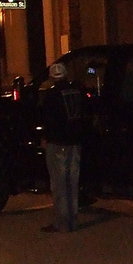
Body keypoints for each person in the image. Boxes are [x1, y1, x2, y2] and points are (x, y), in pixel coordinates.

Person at [39, 62, 91, 233]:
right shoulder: (77, 92)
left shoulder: (52, 95)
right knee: (72, 182)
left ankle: (62, 222)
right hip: (75, 142)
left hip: (58, 143)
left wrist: (46, 138)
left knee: (59, 184)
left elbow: (49, 120)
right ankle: (72, 220)